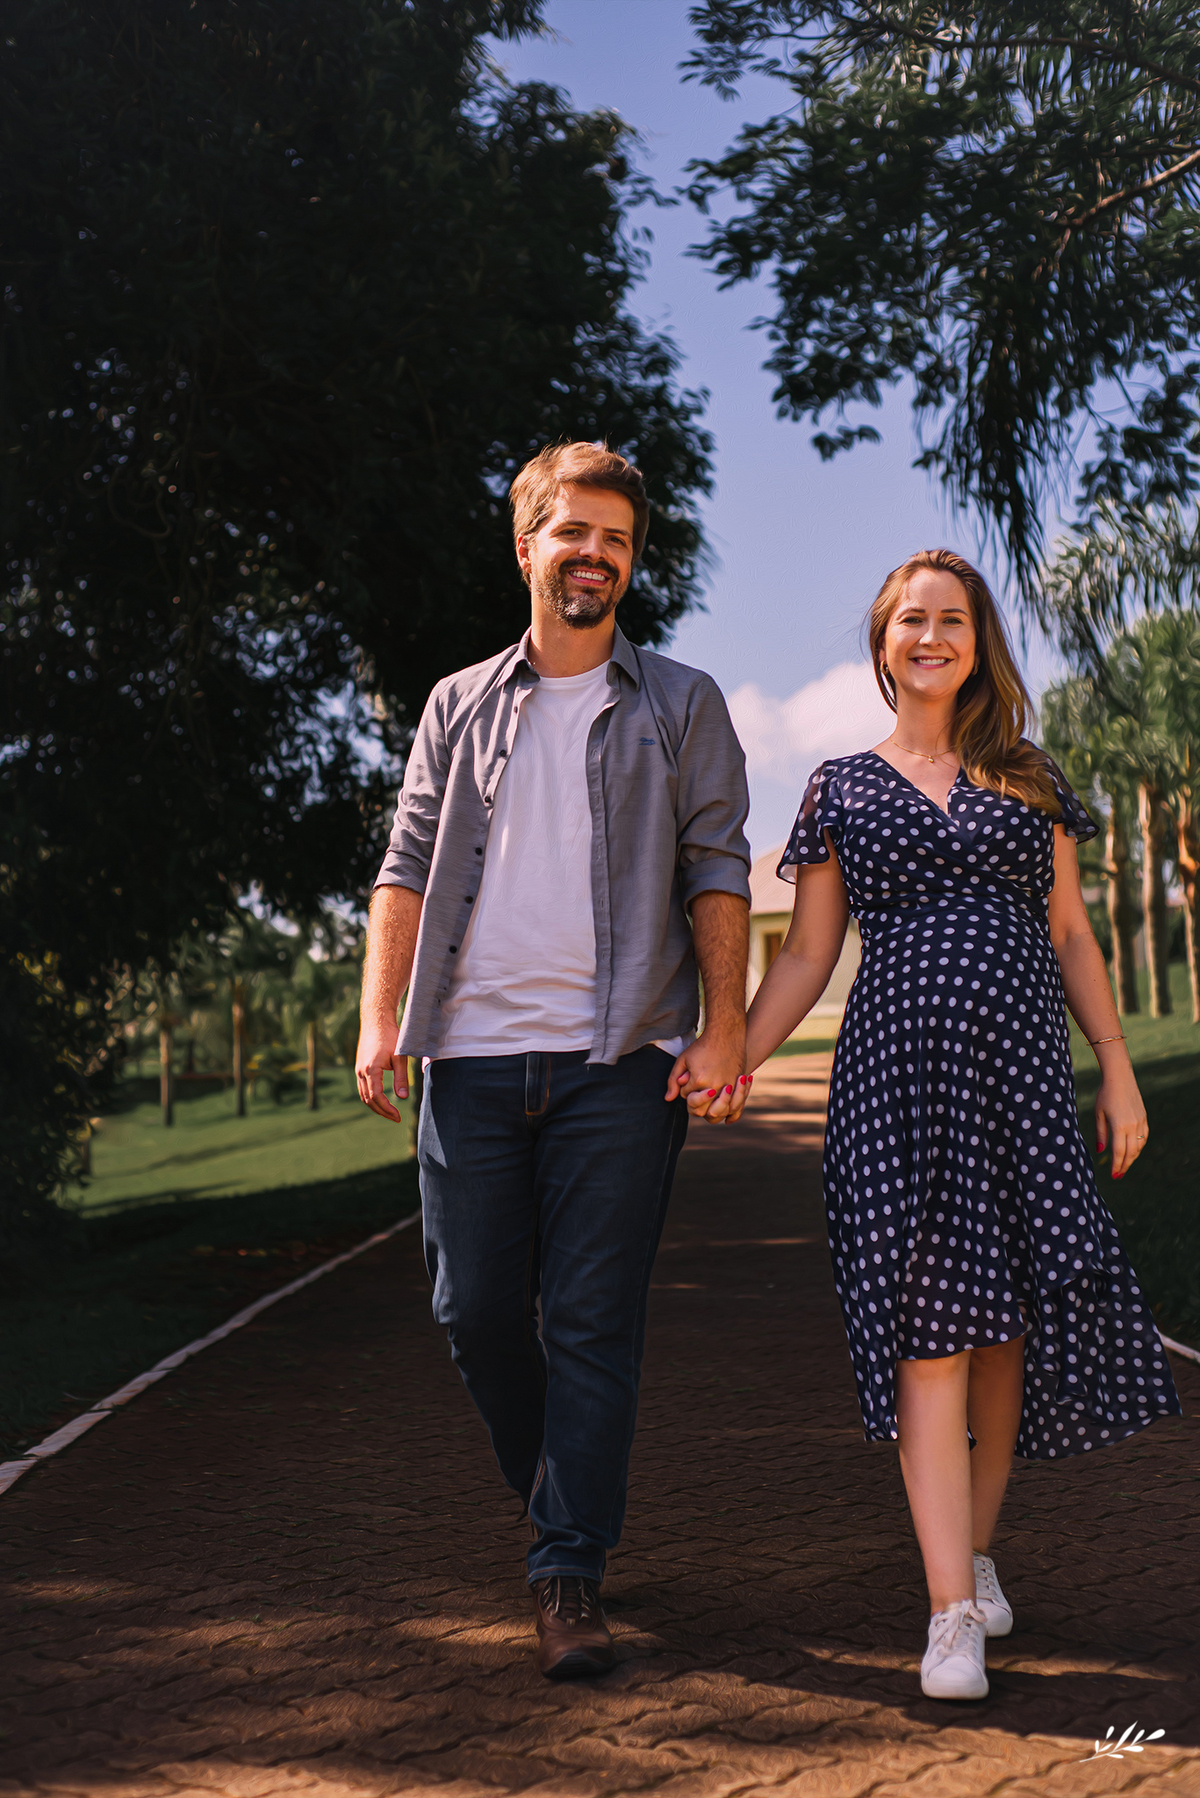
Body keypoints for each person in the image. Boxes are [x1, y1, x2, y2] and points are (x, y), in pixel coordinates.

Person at [745, 549, 1180, 1702]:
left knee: (1005, 1328)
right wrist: (729, 1050)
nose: (931, 635)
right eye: (910, 620)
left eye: (953, 619)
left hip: (1024, 1083)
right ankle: (949, 1615)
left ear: (977, 642)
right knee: (931, 1332)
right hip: (895, 1088)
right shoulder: (840, 785)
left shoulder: (1029, 778)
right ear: (883, 644)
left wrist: (1120, 1069)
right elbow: (806, 950)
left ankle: (975, 1555)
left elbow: (1075, 935)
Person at [355, 441, 752, 1680]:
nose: (595, 557)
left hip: (616, 1061)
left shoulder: (682, 702)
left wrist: (725, 1024)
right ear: (525, 545)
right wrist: (382, 1021)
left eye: (617, 541)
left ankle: (568, 1570)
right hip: (468, 1058)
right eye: (572, 533)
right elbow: (406, 867)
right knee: (472, 1309)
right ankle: (558, 1500)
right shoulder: (455, 703)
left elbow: (719, 869)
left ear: (634, 561)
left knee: (590, 1322)